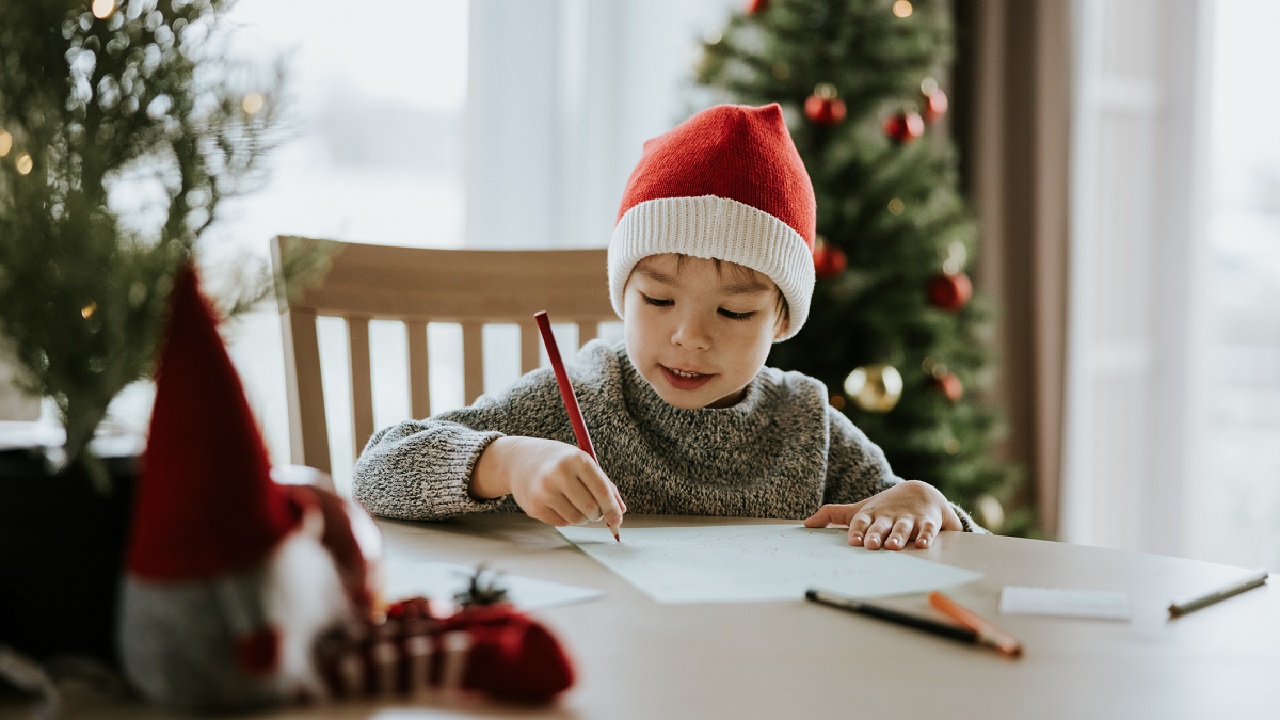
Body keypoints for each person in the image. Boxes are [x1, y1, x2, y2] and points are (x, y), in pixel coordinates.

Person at [353, 103, 980, 551]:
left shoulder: (807, 425)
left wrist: (924, 502)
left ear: (782, 318)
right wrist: (507, 461)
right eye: (657, 300)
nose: (689, 336)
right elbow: (378, 470)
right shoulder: (580, 397)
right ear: (622, 293)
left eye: (733, 312)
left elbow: (954, 541)